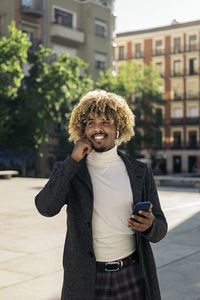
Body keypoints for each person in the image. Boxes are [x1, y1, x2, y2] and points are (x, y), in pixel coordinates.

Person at [35, 90, 167, 300]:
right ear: (83, 130)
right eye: (90, 122)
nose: (97, 127)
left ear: (118, 128)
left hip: (132, 274)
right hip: (87, 279)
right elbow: (45, 207)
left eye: (106, 121)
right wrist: (72, 161)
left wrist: (150, 225)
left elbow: (161, 229)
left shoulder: (140, 172)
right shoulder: (71, 170)